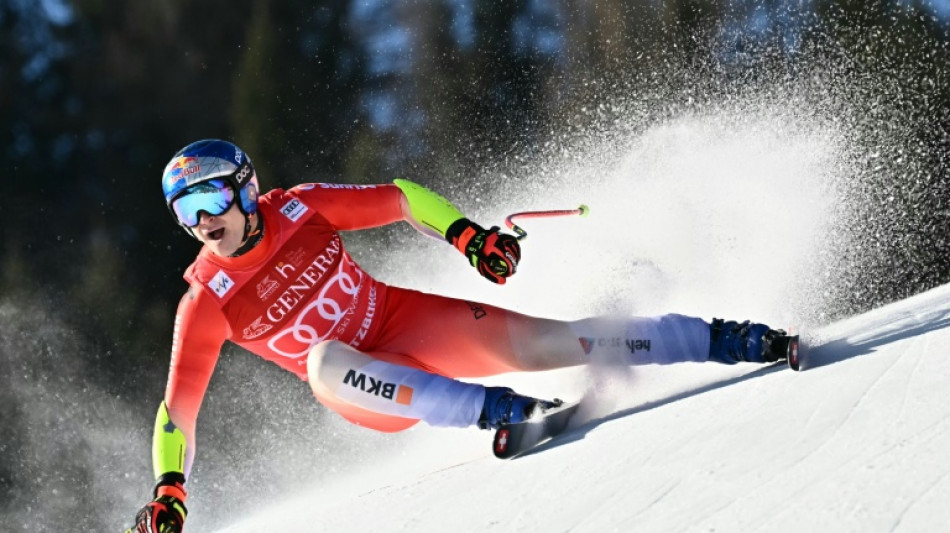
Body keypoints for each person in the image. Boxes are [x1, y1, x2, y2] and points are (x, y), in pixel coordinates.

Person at [128, 139, 789, 532]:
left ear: (246, 191)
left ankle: (726, 338)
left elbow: (401, 196)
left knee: (555, 342)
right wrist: (170, 489)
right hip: (367, 388)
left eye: (210, 201)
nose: (202, 223)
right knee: (324, 358)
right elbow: (176, 409)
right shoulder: (207, 301)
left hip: (402, 321)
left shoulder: (301, 208)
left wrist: (469, 236)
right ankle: (493, 409)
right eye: (185, 213)